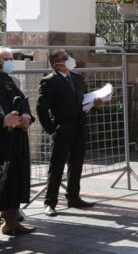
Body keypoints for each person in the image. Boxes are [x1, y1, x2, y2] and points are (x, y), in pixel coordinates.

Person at [36, 50, 101, 217]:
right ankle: (50, 202)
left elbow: (81, 101)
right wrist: (52, 130)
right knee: (56, 167)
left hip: (78, 128)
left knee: (76, 164)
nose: (70, 60)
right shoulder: (49, 81)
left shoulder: (77, 78)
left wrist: (95, 103)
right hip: (62, 129)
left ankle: (73, 197)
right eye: (65, 58)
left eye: (69, 56)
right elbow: (41, 108)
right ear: (56, 63)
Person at [0, 47, 36, 235]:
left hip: (17, 139)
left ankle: (12, 222)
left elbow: (23, 103)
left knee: (14, 178)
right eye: (5, 58)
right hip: (2, 140)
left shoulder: (12, 81)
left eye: (11, 58)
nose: (9, 61)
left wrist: (27, 118)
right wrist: (2, 121)